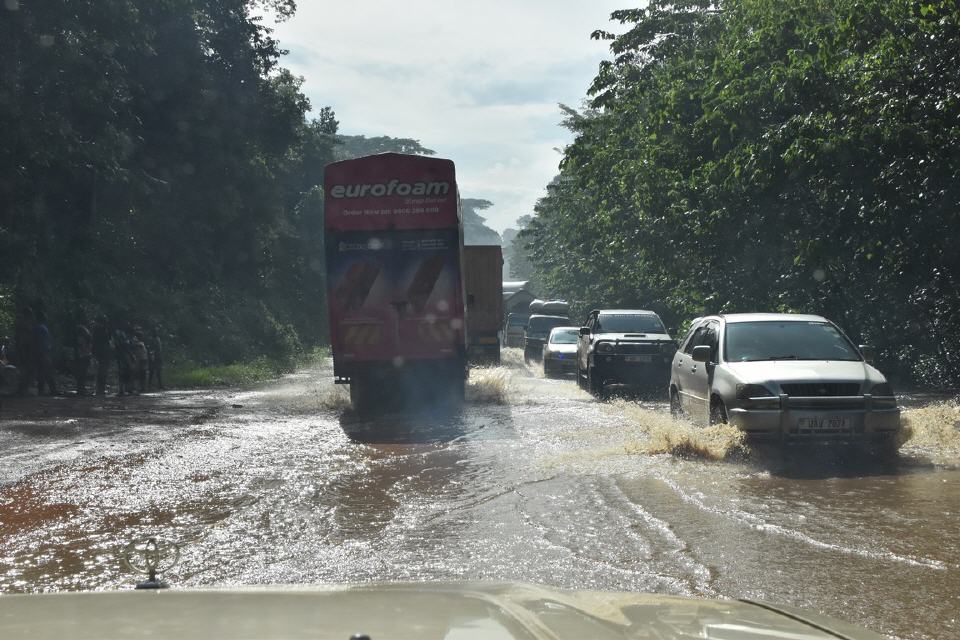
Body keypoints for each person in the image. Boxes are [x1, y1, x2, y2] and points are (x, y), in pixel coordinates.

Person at [35, 310, 58, 396]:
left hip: (41, 352)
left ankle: (44, 390)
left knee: (43, 372)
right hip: (43, 352)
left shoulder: (38, 327)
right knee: (47, 371)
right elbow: (43, 342)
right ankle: (52, 390)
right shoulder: (42, 328)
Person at [14, 306, 37, 396]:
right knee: (25, 369)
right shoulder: (24, 323)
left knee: (26, 369)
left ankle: (23, 389)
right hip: (24, 348)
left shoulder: (24, 322)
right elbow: (22, 338)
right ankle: (22, 390)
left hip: (25, 348)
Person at [92, 316, 112, 396]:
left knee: (101, 372)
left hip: (101, 352)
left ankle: (99, 389)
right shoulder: (101, 330)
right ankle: (100, 389)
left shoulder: (99, 329)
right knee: (102, 372)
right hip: (102, 352)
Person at [113, 324, 132, 396]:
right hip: (123, 356)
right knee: (124, 372)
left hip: (122, 356)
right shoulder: (122, 336)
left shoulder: (120, 335)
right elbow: (125, 347)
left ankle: (124, 389)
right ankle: (123, 389)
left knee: (124, 372)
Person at [74, 323, 93, 396]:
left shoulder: (81, 338)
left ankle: (80, 390)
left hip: (82, 356)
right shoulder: (88, 337)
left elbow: (81, 347)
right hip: (87, 355)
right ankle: (82, 390)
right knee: (83, 375)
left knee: (80, 375)